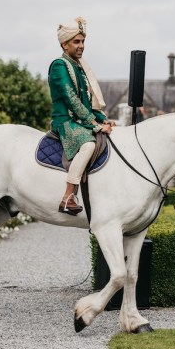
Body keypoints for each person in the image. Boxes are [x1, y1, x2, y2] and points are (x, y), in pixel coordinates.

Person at [48, 17, 114, 215]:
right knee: (88, 145)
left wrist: (103, 119)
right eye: (76, 42)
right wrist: (94, 125)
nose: (81, 46)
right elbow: (71, 100)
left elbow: (86, 102)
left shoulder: (79, 67)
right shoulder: (59, 66)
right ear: (64, 44)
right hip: (65, 122)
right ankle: (68, 196)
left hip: (80, 120)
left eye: (83, 41)